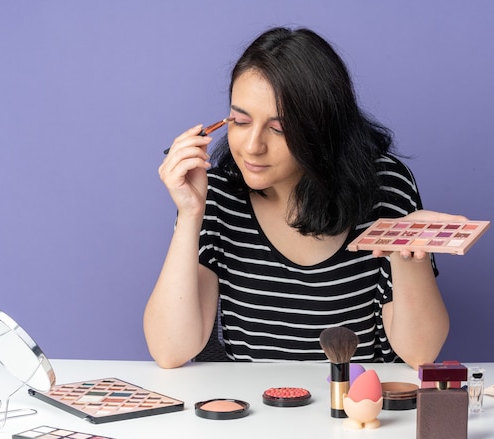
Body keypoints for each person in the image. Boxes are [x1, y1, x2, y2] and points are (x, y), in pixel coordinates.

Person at [144, 26, 465, 369]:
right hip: (251, 414)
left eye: (279, 128)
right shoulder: (218, 194)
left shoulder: (385, 186)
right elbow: (170, 350)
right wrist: (190, 213)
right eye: (240, 121)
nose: (252, 146)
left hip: (359, 407)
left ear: (320, 128)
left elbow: (420, 354)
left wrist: (408, 248)